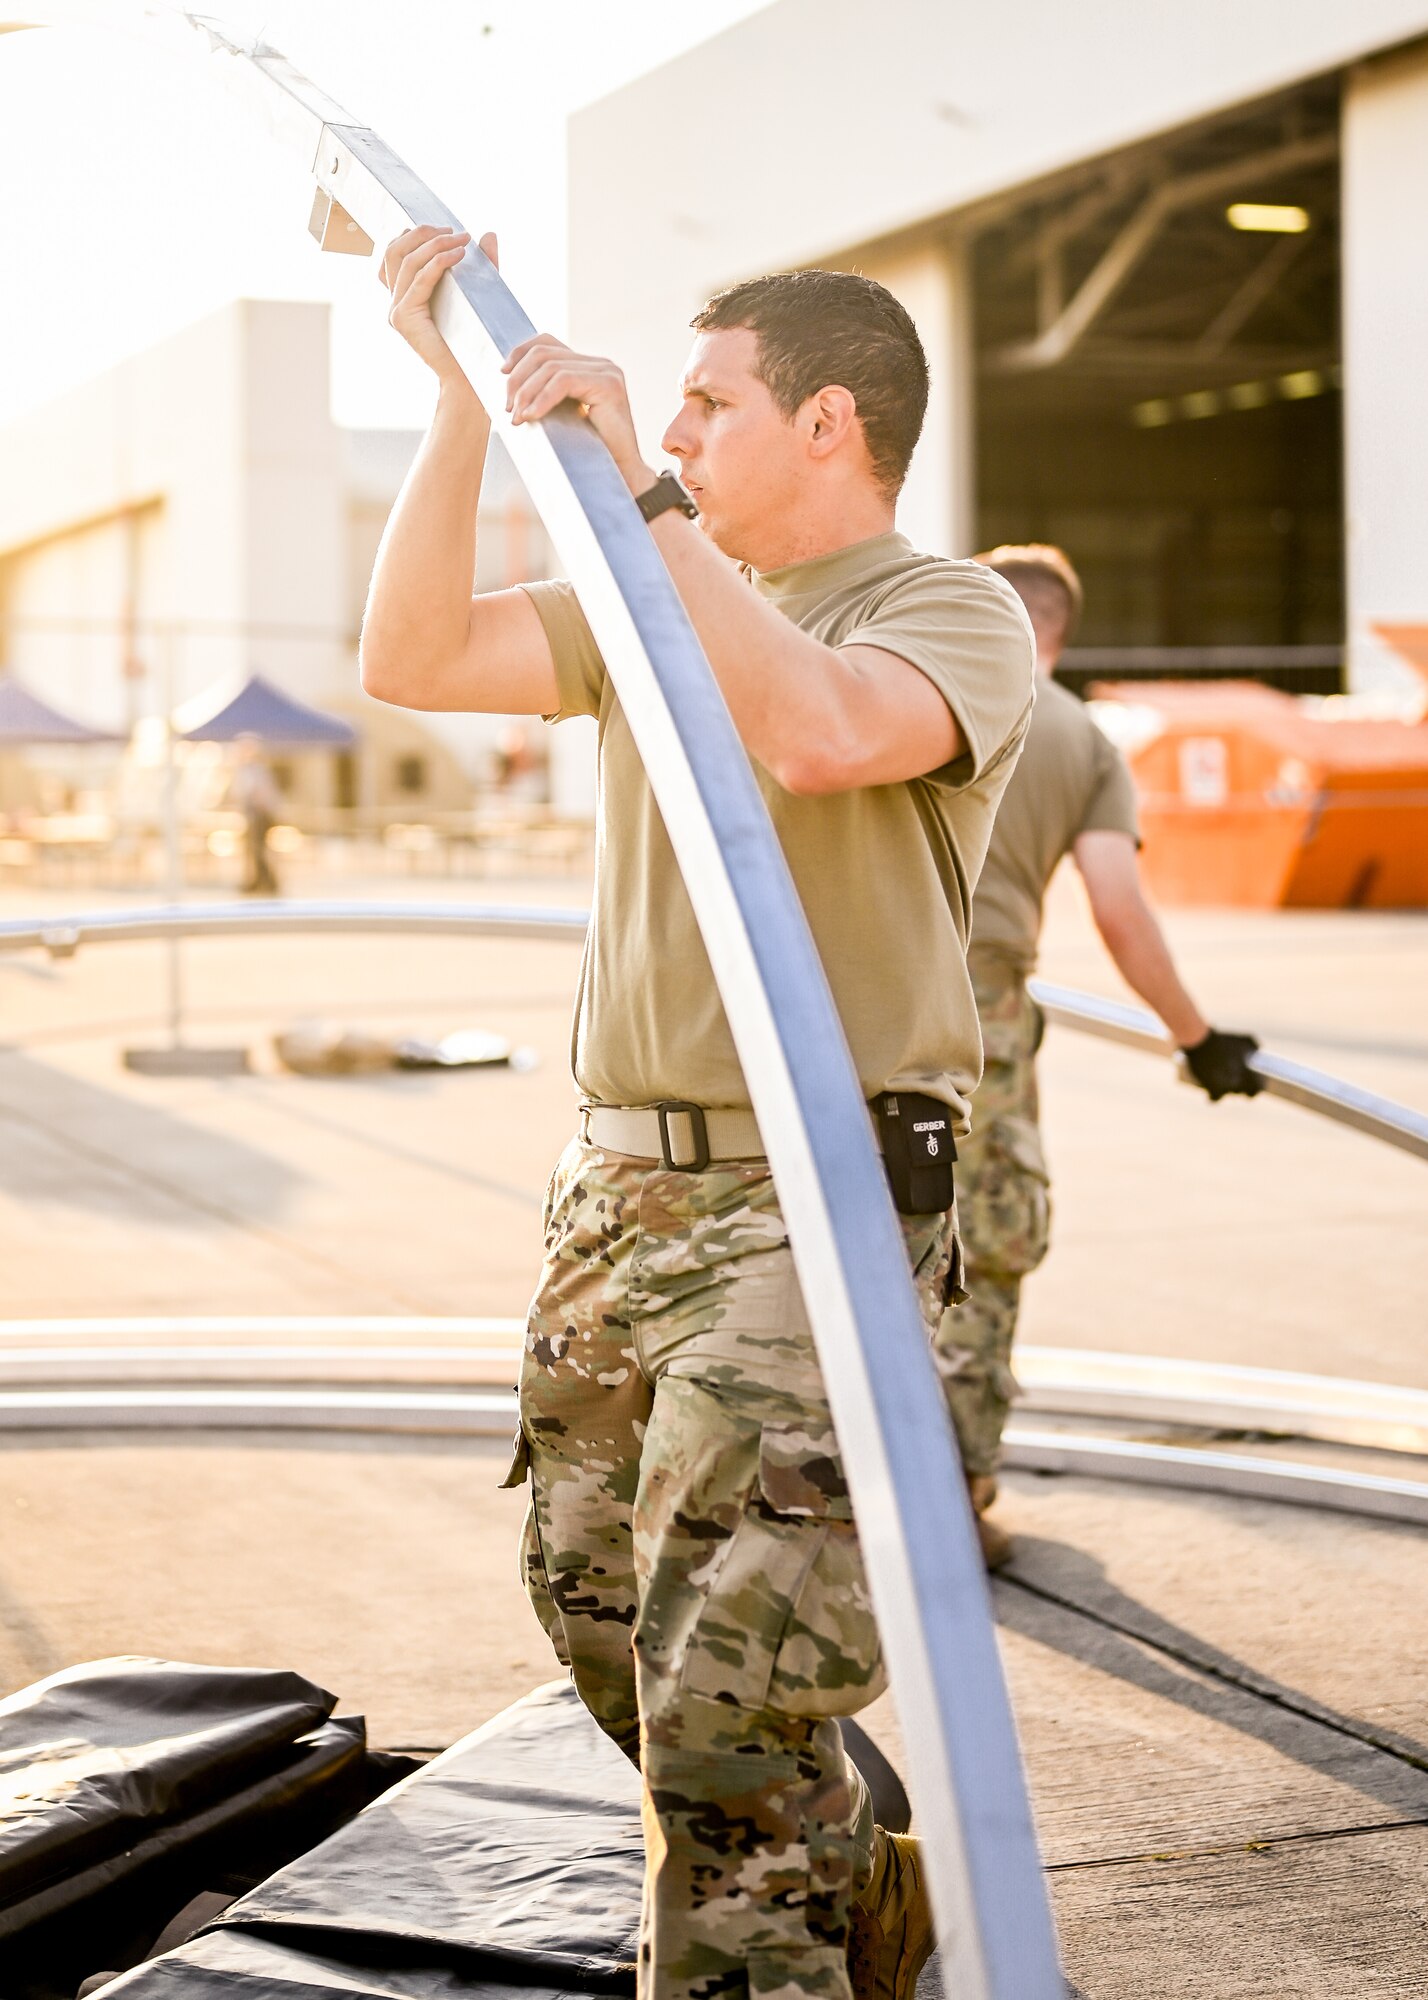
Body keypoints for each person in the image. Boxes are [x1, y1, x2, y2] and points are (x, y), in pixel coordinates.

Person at [360, 224, 1036, 2000]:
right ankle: (834, 1882)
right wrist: (452, 410)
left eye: (703, 406)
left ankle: (768, 1948)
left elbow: (815, 732)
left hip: (796, 1199)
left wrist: (644, 496)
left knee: (727, 1686)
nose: (671, 430)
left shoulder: (940, 605)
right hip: (615, 1191)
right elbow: (414, 657)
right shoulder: (649, 601)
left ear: (826, 423)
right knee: (590, 1612)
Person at [933, 544, 1262, 1570]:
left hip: (852, 991)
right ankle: (954, 1497)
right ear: (1062, 628)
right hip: (981, 1017)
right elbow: (1119, 910)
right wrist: (1197, 1037)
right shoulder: (1077, 735)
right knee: (984, 1251)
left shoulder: (919, 688)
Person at [225, 733, 283, 896]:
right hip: (252, 815)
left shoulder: (255, 770)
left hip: (258, 815)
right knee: (253, 850)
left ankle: (266, 882)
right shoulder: (249, 769)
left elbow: (260, 794)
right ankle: (257, 881)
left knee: (258, 849)